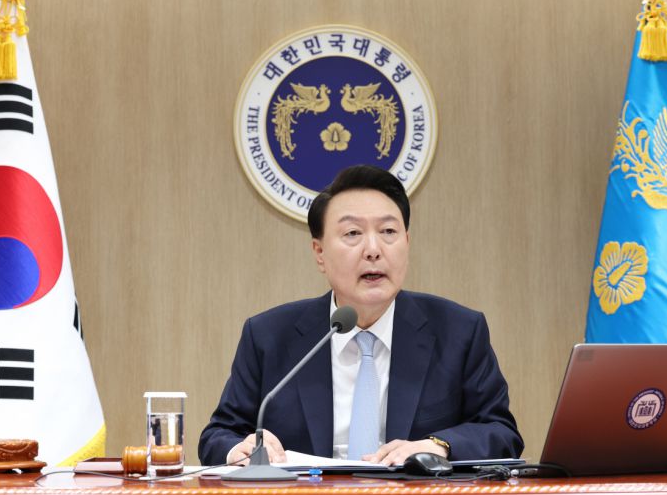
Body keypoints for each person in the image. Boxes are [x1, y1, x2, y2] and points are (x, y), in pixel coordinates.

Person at [198, 165, 522, 466]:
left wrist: (438, 445)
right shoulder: (268, 336)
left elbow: (501, 432)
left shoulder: (459, 332)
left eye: (388, 231)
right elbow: (219, 435)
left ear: (407, 243)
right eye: (353, 233)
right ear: (319, 253)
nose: (373, 249)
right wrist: (239, 449)